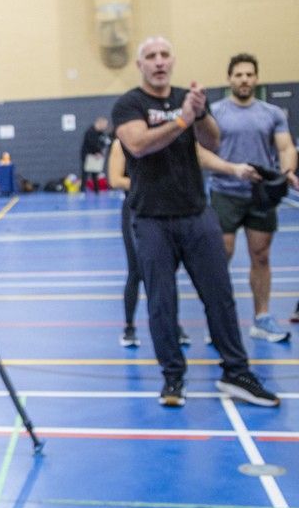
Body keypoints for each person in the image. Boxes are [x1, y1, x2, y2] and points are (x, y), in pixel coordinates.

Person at [111, 36, 279, 409]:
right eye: (150, 56)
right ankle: (173, 378)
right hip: (152, 218)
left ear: (173, 62)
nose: (158, 62)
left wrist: (199, 115)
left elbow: (211, 143)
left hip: (196, 215)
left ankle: (236, 371)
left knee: (219, 296)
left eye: (164, 55)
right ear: (140, 65)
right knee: (161, 302)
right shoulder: (129, 105)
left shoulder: (187, 102)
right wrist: (183, 118)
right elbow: (138, 145)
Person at [205, 53, 297, 343]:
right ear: (229, 78)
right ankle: (218, 322)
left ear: (256, 79)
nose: (244, 79)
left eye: (249, 74)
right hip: (225, 192)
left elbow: (285, 147)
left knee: (261, 256)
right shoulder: (216, 112)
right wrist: (230, 170)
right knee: (222, 257)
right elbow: (202, 150)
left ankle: (262, 318)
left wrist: (288, 171)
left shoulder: (272, 113)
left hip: (261, 195)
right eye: (239, 74)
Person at [108, 140, 189, 350]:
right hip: (136, 209)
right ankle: (129, 327)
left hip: (164, 208)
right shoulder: (121, 143)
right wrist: (146, 182)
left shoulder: (161, 140)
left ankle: (173, 324)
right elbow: (115, 180)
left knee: (167, 270)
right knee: (136, 270)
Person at [80, 116, 111, 194]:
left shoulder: (101, 133)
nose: (105, 126)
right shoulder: (90, 131)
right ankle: (82, 190)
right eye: (104, 124)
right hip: (88, 155)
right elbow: (91, 144)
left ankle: (96, 190)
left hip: (96, 156)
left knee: (95, 173)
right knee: (85, 173)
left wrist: (100, 153)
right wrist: (96, 153)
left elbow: (103, 143)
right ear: (99, 123)